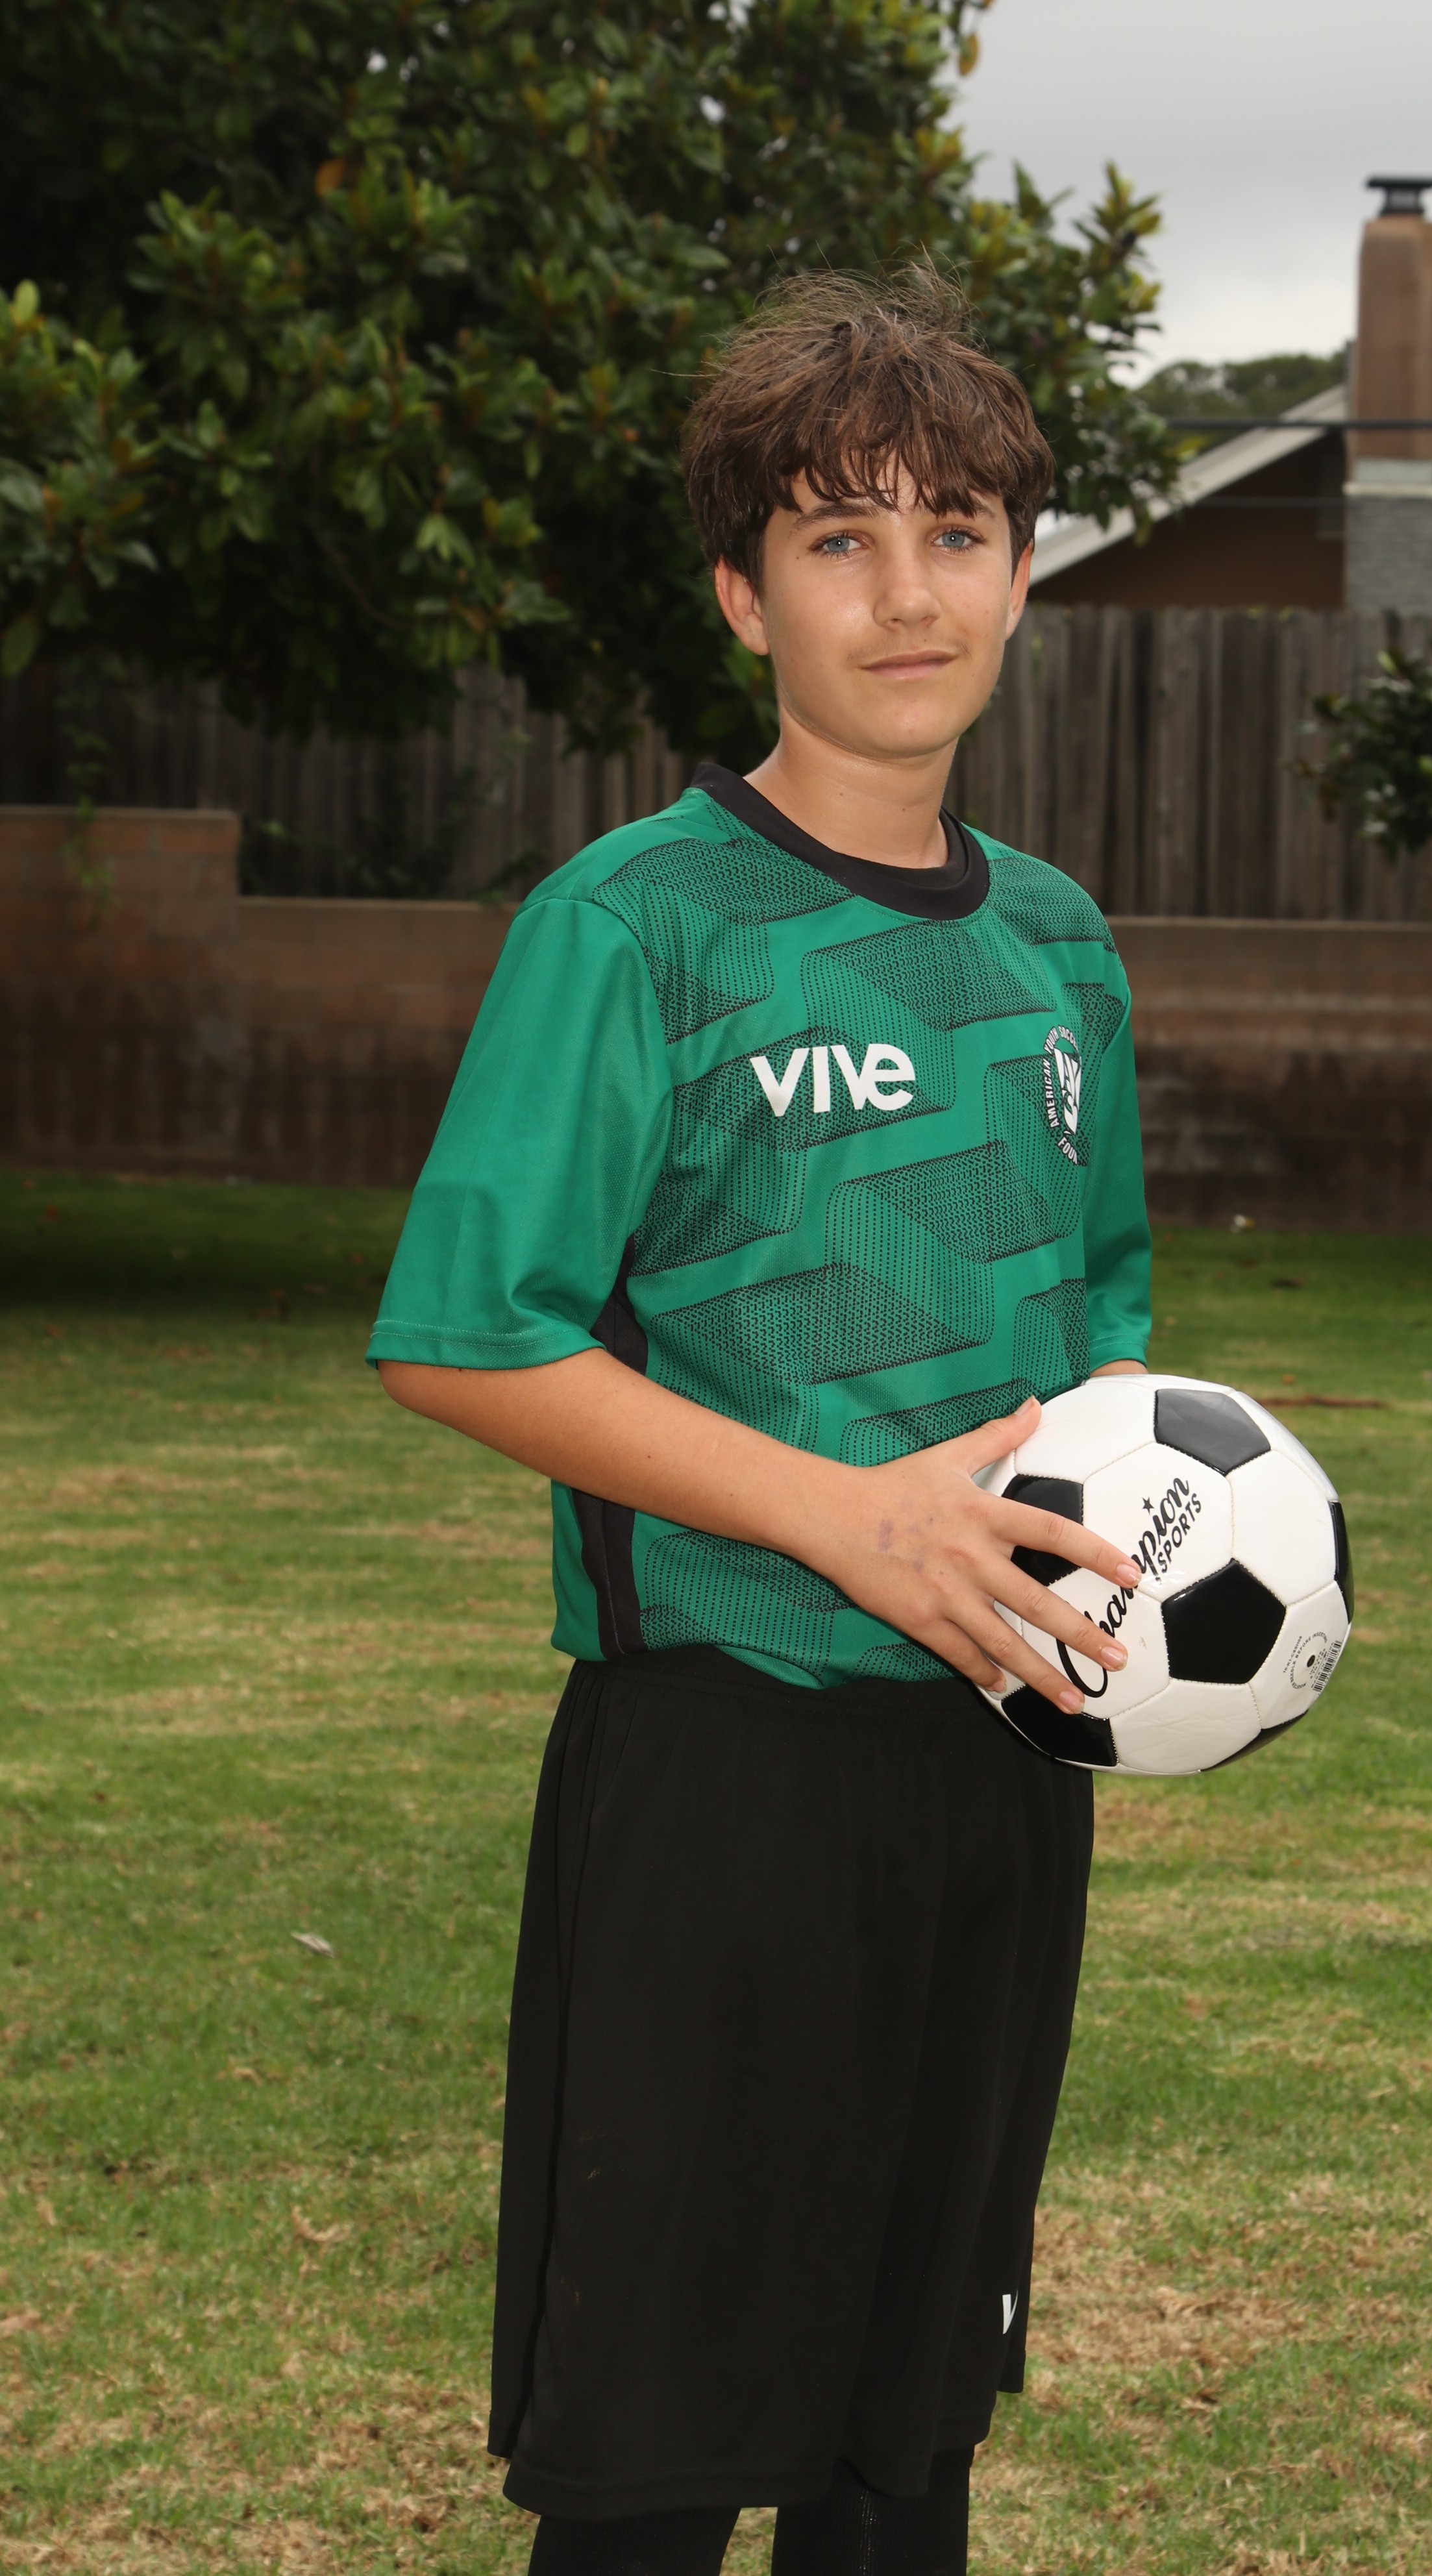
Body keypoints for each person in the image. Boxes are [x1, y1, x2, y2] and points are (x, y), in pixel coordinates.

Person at [369, 269, 1155, 2576]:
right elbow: (467, 1335)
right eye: (839, 539)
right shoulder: (641, 925)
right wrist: (842, 1518)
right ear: (744, 597)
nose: (907, 593)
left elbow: (1106, 1325)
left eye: (956, 532)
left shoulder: (1060, 946)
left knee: (908, 2436)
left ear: (1024, 570)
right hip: (725, 1764)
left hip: (1000, 1758)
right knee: (659, 2457)